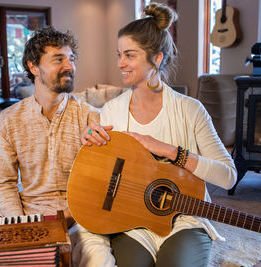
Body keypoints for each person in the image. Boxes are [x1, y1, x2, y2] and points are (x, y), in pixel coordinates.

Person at [80, 3, 237, 267]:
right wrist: (90, 147)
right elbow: (101, 177)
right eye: (119, 54)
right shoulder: (111, 111)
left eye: (129, 55)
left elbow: (229, 176)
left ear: (157, 58)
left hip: (185, 220)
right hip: (132, 222)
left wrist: (170, 151)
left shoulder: (191, 110)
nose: (120, 63)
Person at [0, 26, 114, 266]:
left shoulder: (92, 117)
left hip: (80, 220)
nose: (69, 66)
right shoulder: (8, 120)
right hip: (29, 216)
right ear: (33, 67)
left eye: (71, 59)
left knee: (101, 263)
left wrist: (68, 217)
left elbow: (106, 183)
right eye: (58, 59)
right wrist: (21, 226)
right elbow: (2, 182)